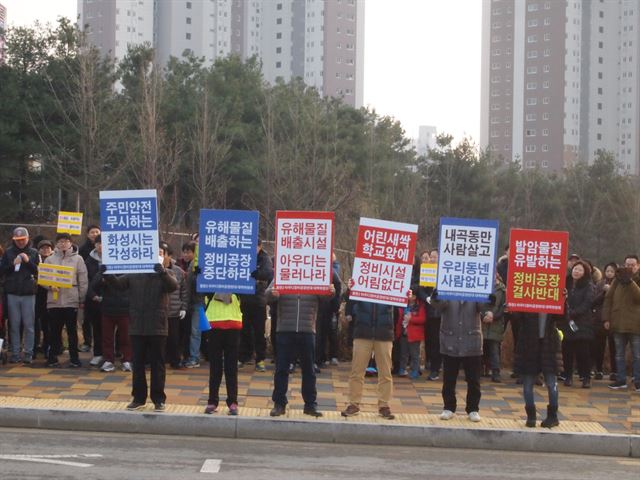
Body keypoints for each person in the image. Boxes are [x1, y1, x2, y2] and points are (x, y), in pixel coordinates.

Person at [104, 248, 178, 411]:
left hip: (157, 326)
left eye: (160, 253)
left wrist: (162, 272)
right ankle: (138, 398)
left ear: (165, 257)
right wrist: (107, 274)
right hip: (137, 325)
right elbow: (119, 284)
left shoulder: (166, 274)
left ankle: (158, 399)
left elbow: (173, 286)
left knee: (158, 364)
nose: (156, 256)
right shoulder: (135, 273)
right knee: (137, 364)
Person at [267, 281, 334, 417]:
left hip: (307, 328)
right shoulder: (283, 272)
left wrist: (330, 291)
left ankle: (310, 404)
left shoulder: (315, 274)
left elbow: (326, 299)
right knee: (281, 369)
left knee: (309, 369)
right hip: (285, 328)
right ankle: (279, 403)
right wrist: (272, 293)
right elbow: (267, 296)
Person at [432, 293, 490, 423]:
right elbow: (438, 305)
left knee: (474, 379)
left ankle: (473, 409)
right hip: (450, 340)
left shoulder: (476, 288)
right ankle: (449, 407)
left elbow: (483, 307)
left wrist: (488, 298)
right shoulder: (447, 287)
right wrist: (437, 295)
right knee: (449, 378)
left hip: (471, 341)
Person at [341, 298, 398, 420]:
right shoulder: (361, 281)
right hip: (362, 331)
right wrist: (352, 287)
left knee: (385, 372)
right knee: (357, 371)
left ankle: (384, 405)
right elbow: (349, 298)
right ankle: (353, 403)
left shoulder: (390, 280)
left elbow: (402, 300)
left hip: (384, 333)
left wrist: (406, 295)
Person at [45, 233, 88, 368]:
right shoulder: (50, 259)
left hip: (71, 299)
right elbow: (44, 278)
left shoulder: (78, 259)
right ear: (56, 244)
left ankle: (74, 358)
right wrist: (50, 286)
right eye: (60, 241)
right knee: (54, 330)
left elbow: (83, 280)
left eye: (66, 241)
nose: (63, 244)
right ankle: (52, 357)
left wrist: (81, 298)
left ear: (71, 243)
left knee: (72, 330)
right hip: (54, 300)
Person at [513, 311, 563, 428]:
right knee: (528, 383)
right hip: (529, 344)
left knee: (551, 383)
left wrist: (563, 300)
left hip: (548, 344)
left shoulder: (553, 296)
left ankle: (552, 416)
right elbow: (516, 317)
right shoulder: (528, 297)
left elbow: (563, 317)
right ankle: (531, 416)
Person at [0, 227, 39, 364]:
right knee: (14, 325)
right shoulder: (8, 253)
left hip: (29, 293)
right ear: (14, 240)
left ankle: (29, 352)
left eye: (23, 239)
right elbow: (2, 271)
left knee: (29, 325)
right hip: (12, 293)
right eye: (18, 240)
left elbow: (39, 271)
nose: (21, 242)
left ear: (28, 238)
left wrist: (28, 261)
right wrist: (12, 264)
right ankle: (15, 353)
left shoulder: (34, 253)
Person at [603, 255, 640, 391]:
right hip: (618, 322)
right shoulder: (617, 280)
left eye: (632, 265)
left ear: (638, 266)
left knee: (637, 354)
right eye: (627, 264)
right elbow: (608, 299)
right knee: (618, 353)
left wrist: (630, 282)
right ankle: (621, 379)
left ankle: (638, 380)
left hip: (636, 324)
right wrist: (606, 318)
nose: (630, 267)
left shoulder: (634, 280)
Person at [89, 257, 132, 373]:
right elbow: (93, 286)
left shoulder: (130, 268)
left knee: (126, 337)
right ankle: (108, 360)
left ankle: (126, 360)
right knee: (107, 338)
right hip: (107, 308)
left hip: (125, 308)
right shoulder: (105, 269)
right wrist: (103, 275)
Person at [203, 292, 243, 415]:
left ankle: (232, 401)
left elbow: (258, 279)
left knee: (231, 367)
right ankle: (212, 401)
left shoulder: (239, 277)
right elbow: (199, 287)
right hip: (213, 324)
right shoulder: (209, 277)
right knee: (215, 367)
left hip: (233, 324)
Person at [238, 240, 273, 372]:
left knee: (259, 331)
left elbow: (267, 273)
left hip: (259, 300)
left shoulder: (265, 258)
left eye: (255, 246)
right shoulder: (243, 256)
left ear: (259, 246)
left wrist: (253, 274)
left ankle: (260, 359)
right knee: (244, 330)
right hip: (244, 299)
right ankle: (244, 357)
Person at [561, 260, 595, 388]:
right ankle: (568, 376)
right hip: (567, 321)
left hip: (582, 323)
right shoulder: (565, 282)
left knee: (583, 352)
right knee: (567, 351)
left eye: (580, 270)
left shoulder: (588, 285)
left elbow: (587, 303)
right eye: (575, 269)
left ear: (585, 272)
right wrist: (565, 313)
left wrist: (573, 313)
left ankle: (585, 377)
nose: (577, 271)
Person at [160, 242, 187, 369]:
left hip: (174, 310)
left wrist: (184, 308)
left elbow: (184, 291)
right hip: (157, 311)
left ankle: (175, 360)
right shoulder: (150, 271)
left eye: (162, 253)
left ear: (169, 255)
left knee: (174, 338)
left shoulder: (179, 272)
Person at [591, 262, 617, 380]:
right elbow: (594, 301)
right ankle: (599, 370)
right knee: (599, 346)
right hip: (599, 319)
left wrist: (611, 290)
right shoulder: (600, 284)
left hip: (614, 319)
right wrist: (604, 292)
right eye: (607, 271)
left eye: (612, 271)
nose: (609, 273)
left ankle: (614, 371)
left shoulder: (620, 284)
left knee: (614, 347)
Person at [315, 255, 342, 368]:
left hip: (325, 307)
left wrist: (334, 307)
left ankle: (318, 359)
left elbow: (338, 285)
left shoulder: (329, 271)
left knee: (321, 333)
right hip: (312, 305)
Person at [78, 225, 101, 352]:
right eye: (92, 232)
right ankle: (87, 341)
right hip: (89, 286)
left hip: (104, 289)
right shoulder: (83, 249)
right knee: (87, 318)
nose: (94, 234)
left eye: (97, 231)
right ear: (87, 234)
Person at [482, 273, 507, 383]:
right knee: (480, 349)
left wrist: (494, 316)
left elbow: (504, 307)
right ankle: (479, 370)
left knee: (494, 349)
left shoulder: (502, 290)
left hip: (495, 323)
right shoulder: (482, 285)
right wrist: (483, 316)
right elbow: (478, 303)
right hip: (482, 323)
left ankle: (495, 372)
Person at [85, 235, 104, 367]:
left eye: (104, 243)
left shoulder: (115, 257)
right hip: (94, 299)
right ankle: (98, 354)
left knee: (111, 329)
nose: (101, 246)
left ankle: (112, 354)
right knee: (97, 328)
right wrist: (92, 295)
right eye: (98, 243)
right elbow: (85, 280)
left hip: (112, 299)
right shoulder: (89, 260)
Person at [397, 293, 426, 379]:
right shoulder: (403, 304)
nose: (410, 296)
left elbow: (422, 319)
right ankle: (402, 369)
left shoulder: (420, 306)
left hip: (414, 334)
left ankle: (415, 371)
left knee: (414, 354)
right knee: (403, 353)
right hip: (404, 332)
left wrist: (411, 319)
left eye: (412, 295)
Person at [34, 239, 54, 358]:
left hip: (52, 296)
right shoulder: (35, 260)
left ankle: (48, 347)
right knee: (36, 323)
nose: (45, 250)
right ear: (39, 250)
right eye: (43, 248)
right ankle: (36, 347)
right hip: (37, 296)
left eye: (48, 248)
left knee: (49, 325)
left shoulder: (55, 260)